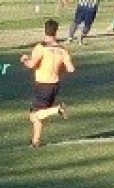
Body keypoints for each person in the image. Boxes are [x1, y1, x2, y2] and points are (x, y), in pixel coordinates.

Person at [20, 19, 75, 148]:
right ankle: (35, 141)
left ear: (45, 30)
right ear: (56, 32)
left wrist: (24, 59)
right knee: (40, 114)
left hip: (43, 85)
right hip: (55, 85)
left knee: (34, 116)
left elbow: (31, 64)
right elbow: (71, 69)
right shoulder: (62, 50)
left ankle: (58, 109)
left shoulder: (41, 48)